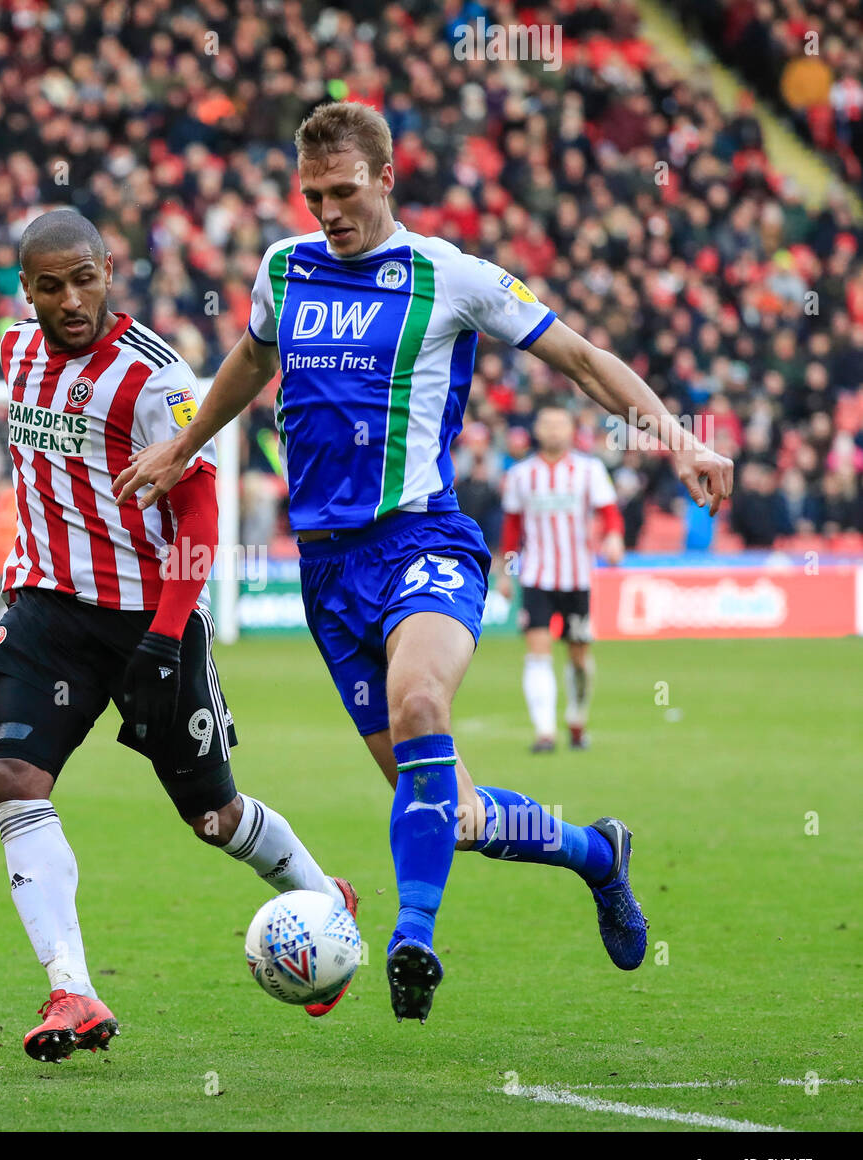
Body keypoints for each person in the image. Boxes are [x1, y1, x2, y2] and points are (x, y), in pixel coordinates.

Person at [114, 102, 734, 1023]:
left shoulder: (451, 276)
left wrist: (675, 438)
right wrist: (184, 444)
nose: (328, 209)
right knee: (454, 809)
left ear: (386, 179)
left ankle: (414, 935)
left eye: (344, 190)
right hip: (328, 573)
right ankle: (598, 854)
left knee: (421, 706)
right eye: (313, 193)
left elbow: (581, 358)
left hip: (424, 544)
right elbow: (252, 358)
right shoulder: (284, 269)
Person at [0, 209, 356, 1063]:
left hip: (152, 614)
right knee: (13, 776)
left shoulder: (157, 381)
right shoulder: (14, 351)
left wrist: (167, 635)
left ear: (110, 269)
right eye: (49, 285)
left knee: (213, 817)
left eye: (85, 278)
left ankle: (327, 899)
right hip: (47, 606)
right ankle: (72, 988)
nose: (71, 300)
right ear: (24, 287)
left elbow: (199, 513)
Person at [496, 405, 624, 752]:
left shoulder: (589, 469)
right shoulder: (521, 475)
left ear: (571, 430)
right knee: (538, 652)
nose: (553, 430)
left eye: (560, 424)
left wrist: (613, 537)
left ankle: (577, 720)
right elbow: (512, 529)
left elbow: (610, 514)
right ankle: (545, 732)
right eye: (547, 423)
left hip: (577, 577)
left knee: (579, 655)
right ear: (537, 429)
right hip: (537, 576)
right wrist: (507, 575)